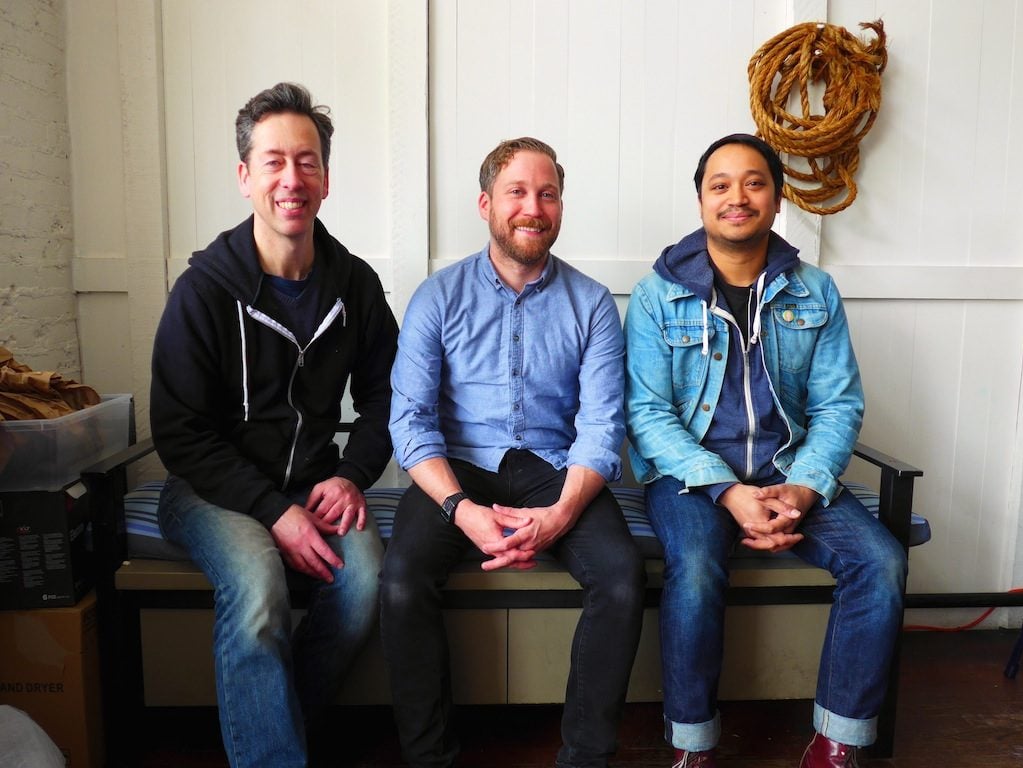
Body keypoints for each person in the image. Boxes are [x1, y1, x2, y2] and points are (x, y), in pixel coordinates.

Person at [623, 133, 907, 768]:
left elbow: (839, 405)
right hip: (691, 479)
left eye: (754, 182)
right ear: (700, 201)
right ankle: (693, 747)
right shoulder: (655, 295)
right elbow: (647, 414)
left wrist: (804, 490)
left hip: (790, 472)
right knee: (694, 570)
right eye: (719, 185)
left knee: (880, 563)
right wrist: (727, 491)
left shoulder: (814, 291)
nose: (736, 197)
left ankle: (838, 743)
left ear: (777, 198)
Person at [150, 82, 398, 768]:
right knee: (257, 585)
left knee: (365, 582)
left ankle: (277, 731)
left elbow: (389, 398)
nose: (293, 179)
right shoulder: (203, 289)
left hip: (316, 485)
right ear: (244, 176)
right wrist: (273, 513)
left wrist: (351, 477)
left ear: (326, 176)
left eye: (308, 161)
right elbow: (179, 432)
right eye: (274, 162)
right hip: (210, 492)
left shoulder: (354, 285)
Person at [382, 137, 645, 768]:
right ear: (485, 204)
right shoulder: (436, 297)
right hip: (459, 466)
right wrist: (463, 511)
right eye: (517, 192)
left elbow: (603, 426)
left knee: (621, 577)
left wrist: (559, 514)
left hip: (554, 469)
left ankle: (585, 757)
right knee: (399, 579)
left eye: (548, 193)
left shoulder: (593, 305)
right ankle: (430, 759)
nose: (534, 206)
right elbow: (411, 421)